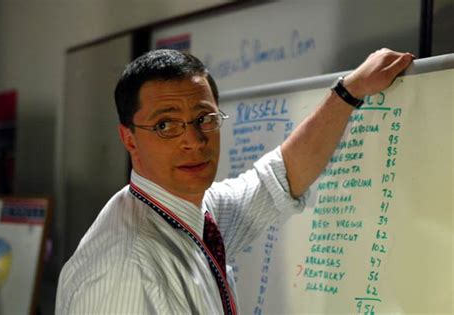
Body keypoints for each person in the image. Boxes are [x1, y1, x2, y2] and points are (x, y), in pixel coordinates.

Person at [55, 48, 413, 314]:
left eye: (204, 119)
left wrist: (349, 92)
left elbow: (278, 179)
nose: (193, 140)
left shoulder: (195, 211)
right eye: (166, 125)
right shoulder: (127, 270)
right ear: (129, 138)